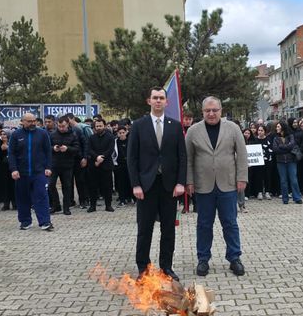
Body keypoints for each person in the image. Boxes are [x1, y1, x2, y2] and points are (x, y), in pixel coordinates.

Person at [128, 87, 187, 281]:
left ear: (166, 102)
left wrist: (181, 182)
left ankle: (166, 268)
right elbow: (132, 158)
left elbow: (182, 157)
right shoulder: (138, 125)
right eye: (155, 98)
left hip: (169, 186)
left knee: (168, 229)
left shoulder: (176, 126)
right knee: (144, 229)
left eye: (162, 98)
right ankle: (143, 269)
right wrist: (136, 184)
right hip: (146, 186)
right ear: (149, 101)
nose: (158, 101)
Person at [186, 97, 248, 277]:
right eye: (207, 111)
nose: (211, 114)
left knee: (230, 223)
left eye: (214, 110)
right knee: (204, 224)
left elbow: (242, 155)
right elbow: (188, 159)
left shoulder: (233, 128)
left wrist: (241, 177)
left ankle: (234, 258)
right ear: (202, 112)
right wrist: (189, 181)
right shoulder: (193, 131)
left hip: (228, 184)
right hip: (203, 185)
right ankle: (203, 259)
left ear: (221, 110)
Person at [8, 113, 54, 231]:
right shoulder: (16, 135)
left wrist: (48, 167)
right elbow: (11, 153)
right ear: (22, 122)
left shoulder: (42, 134)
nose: (32, 123)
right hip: (21, 173)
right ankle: (25, 221)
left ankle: (45, 222)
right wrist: (14, 169)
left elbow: (48, 151)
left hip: (39, 172)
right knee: (22, 198)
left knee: (41, 196)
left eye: (34, 121)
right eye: (29, 121)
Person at [49, 117, 81, 215]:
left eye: (63, 126)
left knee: (67, 186)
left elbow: (77, 148)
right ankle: (56, 205)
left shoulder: (73, 135)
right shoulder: (52, 134)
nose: (61, 128)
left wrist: (67, 148)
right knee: (51, 185)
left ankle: (66, 207)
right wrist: (53, 148)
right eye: (59, 126)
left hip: (67, 165)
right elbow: (46, 148)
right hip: (54, 164)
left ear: (68, 124)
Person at [87, 117, 116, 213]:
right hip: (94, 165)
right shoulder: (91, 137)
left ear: (104, 126)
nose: (98, 128)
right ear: (94, 127)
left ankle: (108, 205)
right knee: (92, 186)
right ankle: (92, 206)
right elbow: (89, 149)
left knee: (107, 186)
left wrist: (102, 157)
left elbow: (110, 149)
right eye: (97, 126)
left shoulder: (110, 137)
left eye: (100, 126)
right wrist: (96, 158)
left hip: (106, 165)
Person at [272, 120, 302, 205]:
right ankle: (285, 199)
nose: (276, 128)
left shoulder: (290, 136)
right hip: (280, 162)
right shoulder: (275, 138)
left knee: (294, 180)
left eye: (278, 127)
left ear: (282, 127)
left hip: (291, 161)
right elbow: (275, 149)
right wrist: (286, 148)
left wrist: (281, 146)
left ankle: (297, 197)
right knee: (283, 181)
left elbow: (292, 145)